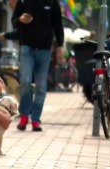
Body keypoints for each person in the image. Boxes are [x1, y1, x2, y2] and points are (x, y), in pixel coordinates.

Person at [11, 0, 64, 131]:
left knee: (41, 85)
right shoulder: (23, 1)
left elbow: (58, 24)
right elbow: (14, 21)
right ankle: (24, 115)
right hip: (26, 46)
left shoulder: (52, 2)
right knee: (25, 80)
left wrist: (60, 45)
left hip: (45, 48)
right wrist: (20, 20)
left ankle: (35, 119)